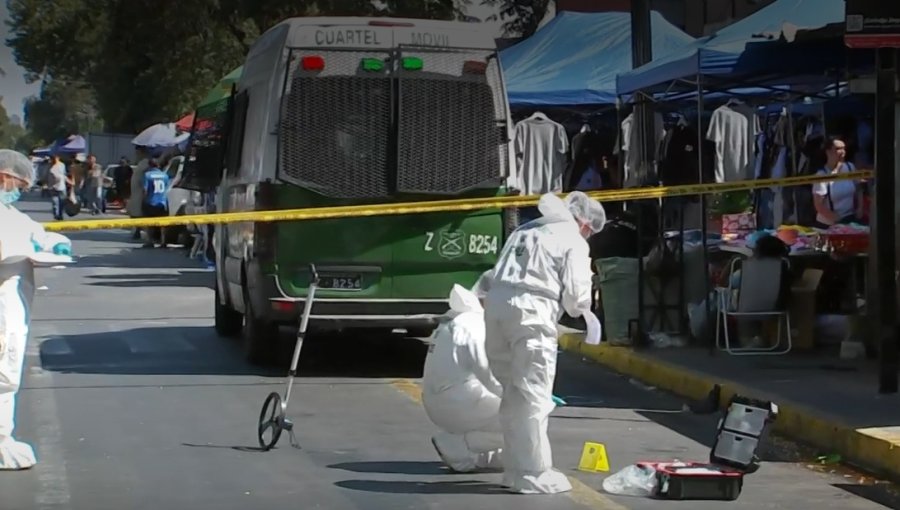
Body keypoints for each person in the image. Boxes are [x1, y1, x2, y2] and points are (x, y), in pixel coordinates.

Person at [478, 191, 606, 494]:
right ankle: (533, 473)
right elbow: (576, 297)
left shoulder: (525, 230)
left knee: (513, 394)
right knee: (534, 395)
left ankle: (515, 468)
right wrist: (585, 312)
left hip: (496, 311)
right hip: (531, 315)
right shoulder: (572, 239)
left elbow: (491, 276)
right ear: (584, 224)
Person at [423, 283, 503, 473]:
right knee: (524, 419)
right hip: (458, 403)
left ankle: (487, 457)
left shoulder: (453, 322)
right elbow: (486, 372)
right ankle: (458, 445)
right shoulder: (472, 324)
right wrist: (518, 395)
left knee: (516, 413)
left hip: (444, 400)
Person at [0, 149, 48, 470]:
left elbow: (35, 234)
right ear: (5, 178)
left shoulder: (11, 216)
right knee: (3, 374)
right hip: (3, 310)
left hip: (12, 306)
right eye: (19, 185)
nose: (20, 192)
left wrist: (46, 243)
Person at [812, 136, 864, 228]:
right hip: (828, 224)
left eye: (844, 148)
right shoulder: (822, 175)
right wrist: (836, 219)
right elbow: (818, 205)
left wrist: (860, 208)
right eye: (838, 149)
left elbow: (859, 189)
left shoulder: (850, 167)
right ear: (828, 152)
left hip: (850, 219)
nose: (842, 152)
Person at [141, 159, 170, 248]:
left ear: (149, 166)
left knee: (149, 223)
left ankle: (150, 241)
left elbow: (145, 190)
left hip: (151, 201)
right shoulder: (165, 175)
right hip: (162, 202)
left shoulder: (147, 175)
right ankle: (163, 241)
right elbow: (167, 188)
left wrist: (143, 200)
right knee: (163, 224)